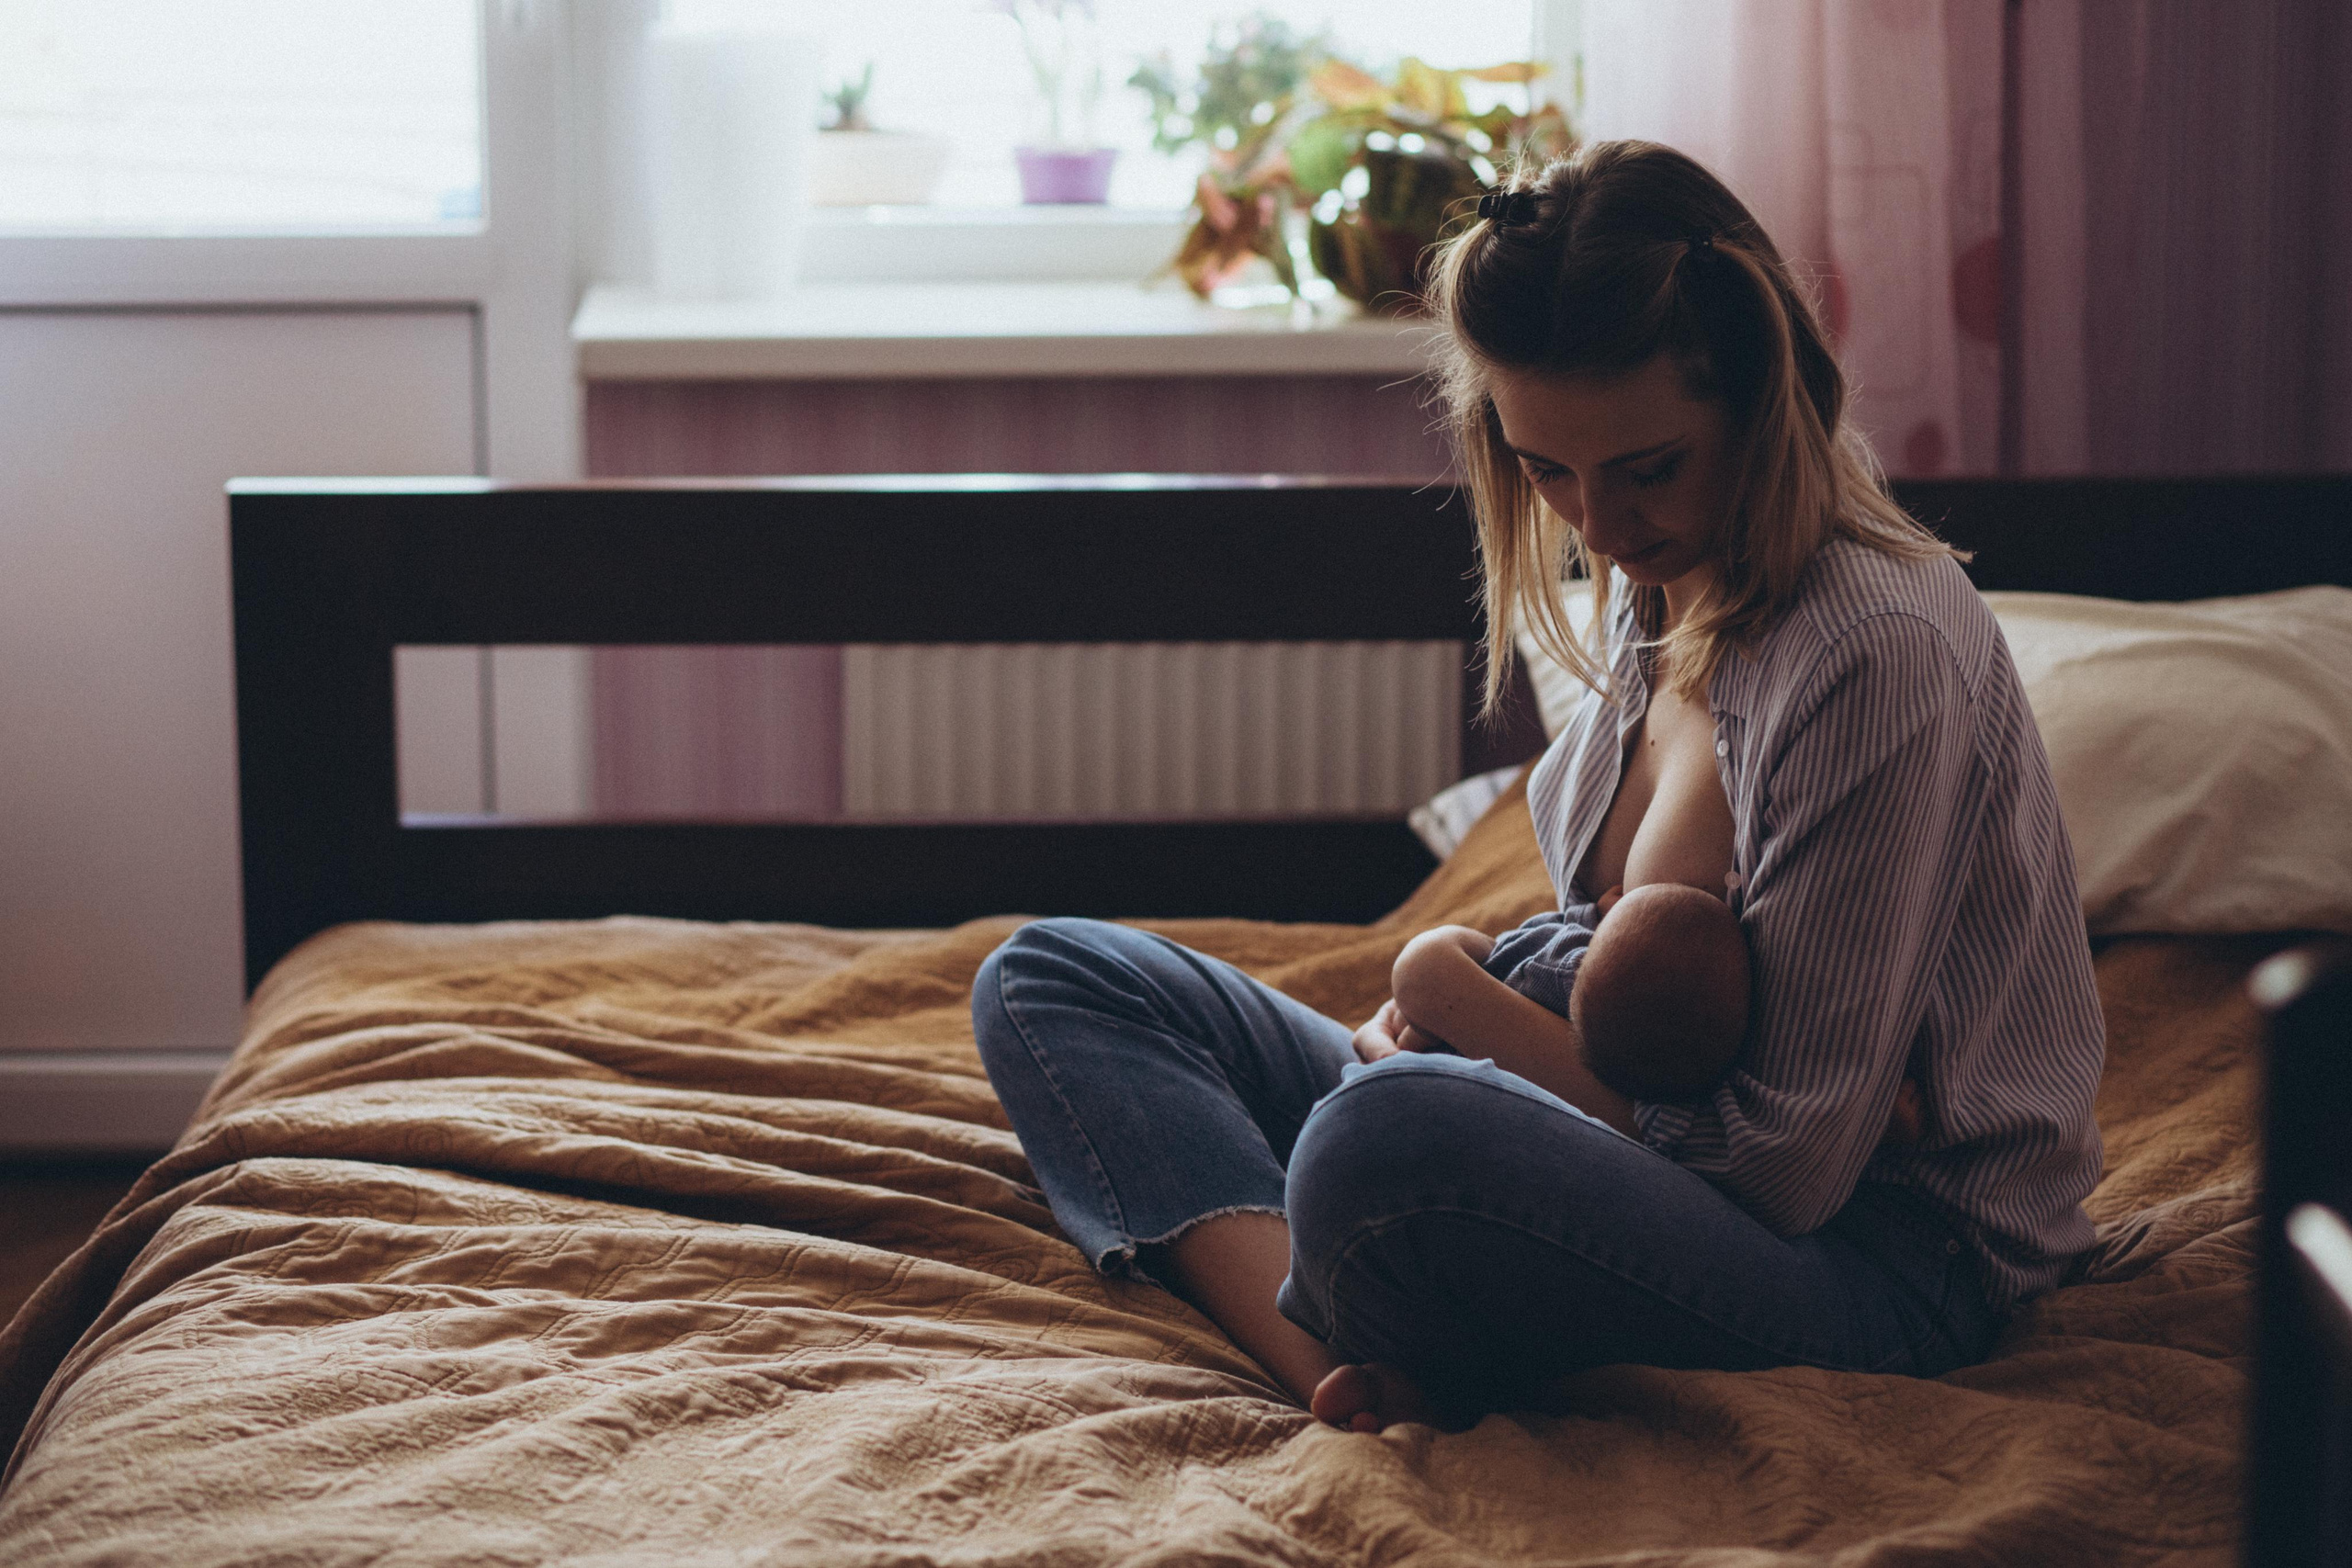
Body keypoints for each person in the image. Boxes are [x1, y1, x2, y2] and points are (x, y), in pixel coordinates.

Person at [971, 140, 2104, 1434]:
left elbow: (1786, 1166)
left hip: (1886, 1259)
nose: (1600, 529)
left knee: (1381, 1136)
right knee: (1052, 974)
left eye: (1646, 466)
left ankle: (1352, 1299)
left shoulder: (1871, 650)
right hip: (1618, 1152)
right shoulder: (1661, 578)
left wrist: (1451, 999)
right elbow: (1613, 990)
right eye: (1547, 470)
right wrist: (1482, 1032)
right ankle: (1336, 1361)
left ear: (1758, 399)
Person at [1386, 881, 1752, 1103]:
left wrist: (1590, 914)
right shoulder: (1647, 1050)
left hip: (1424, 1042)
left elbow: (1505, 948)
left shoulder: (1559, 970)